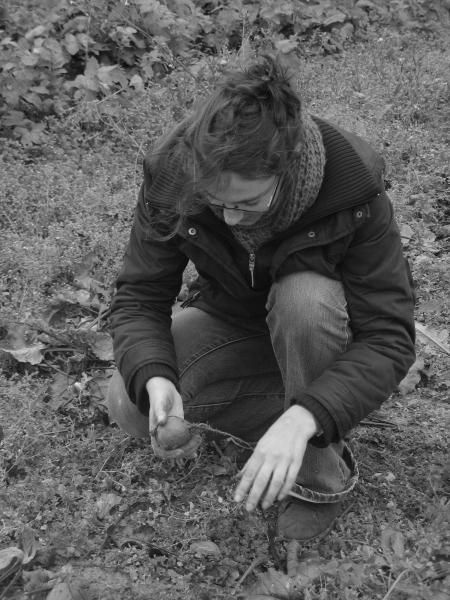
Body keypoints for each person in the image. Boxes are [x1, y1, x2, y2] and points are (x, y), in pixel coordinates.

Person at [107, 54, 415, 542]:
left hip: (314, 326)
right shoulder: (173, 173)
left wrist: (307, 417)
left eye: (248, 203)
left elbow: (389, 337)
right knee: (128, 402)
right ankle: (305, 408)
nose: (229, 219)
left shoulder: (351, 188)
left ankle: (317, 474)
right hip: (233, 320)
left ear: (287, 167)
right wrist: (157, 376)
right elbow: (140, 297)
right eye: (217, 202)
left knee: (304, 301)